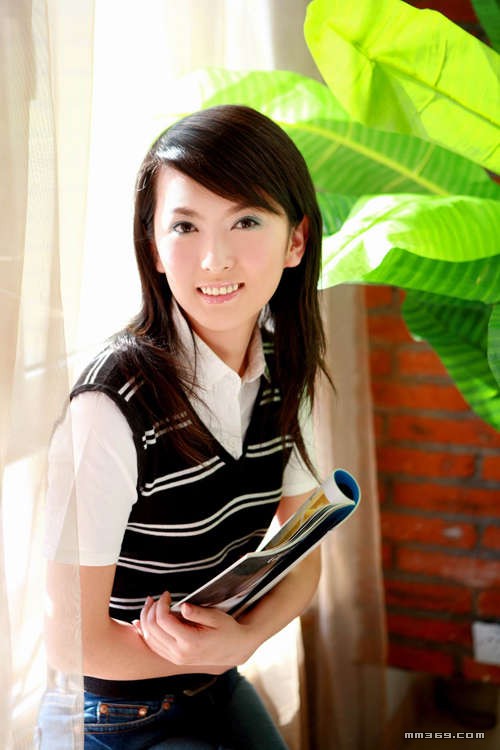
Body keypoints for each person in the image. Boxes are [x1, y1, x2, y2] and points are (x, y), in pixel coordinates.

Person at [40, 104, 332, 750]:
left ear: (296, 241)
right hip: (113, 715)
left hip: (215, 681)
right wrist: (218, 651)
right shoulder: (111, 408)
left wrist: (241, 641)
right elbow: (69, 641)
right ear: (154, 245)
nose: (214, 259)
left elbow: (305, 557)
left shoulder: (286, 369)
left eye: (246, 221)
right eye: (185, 226)